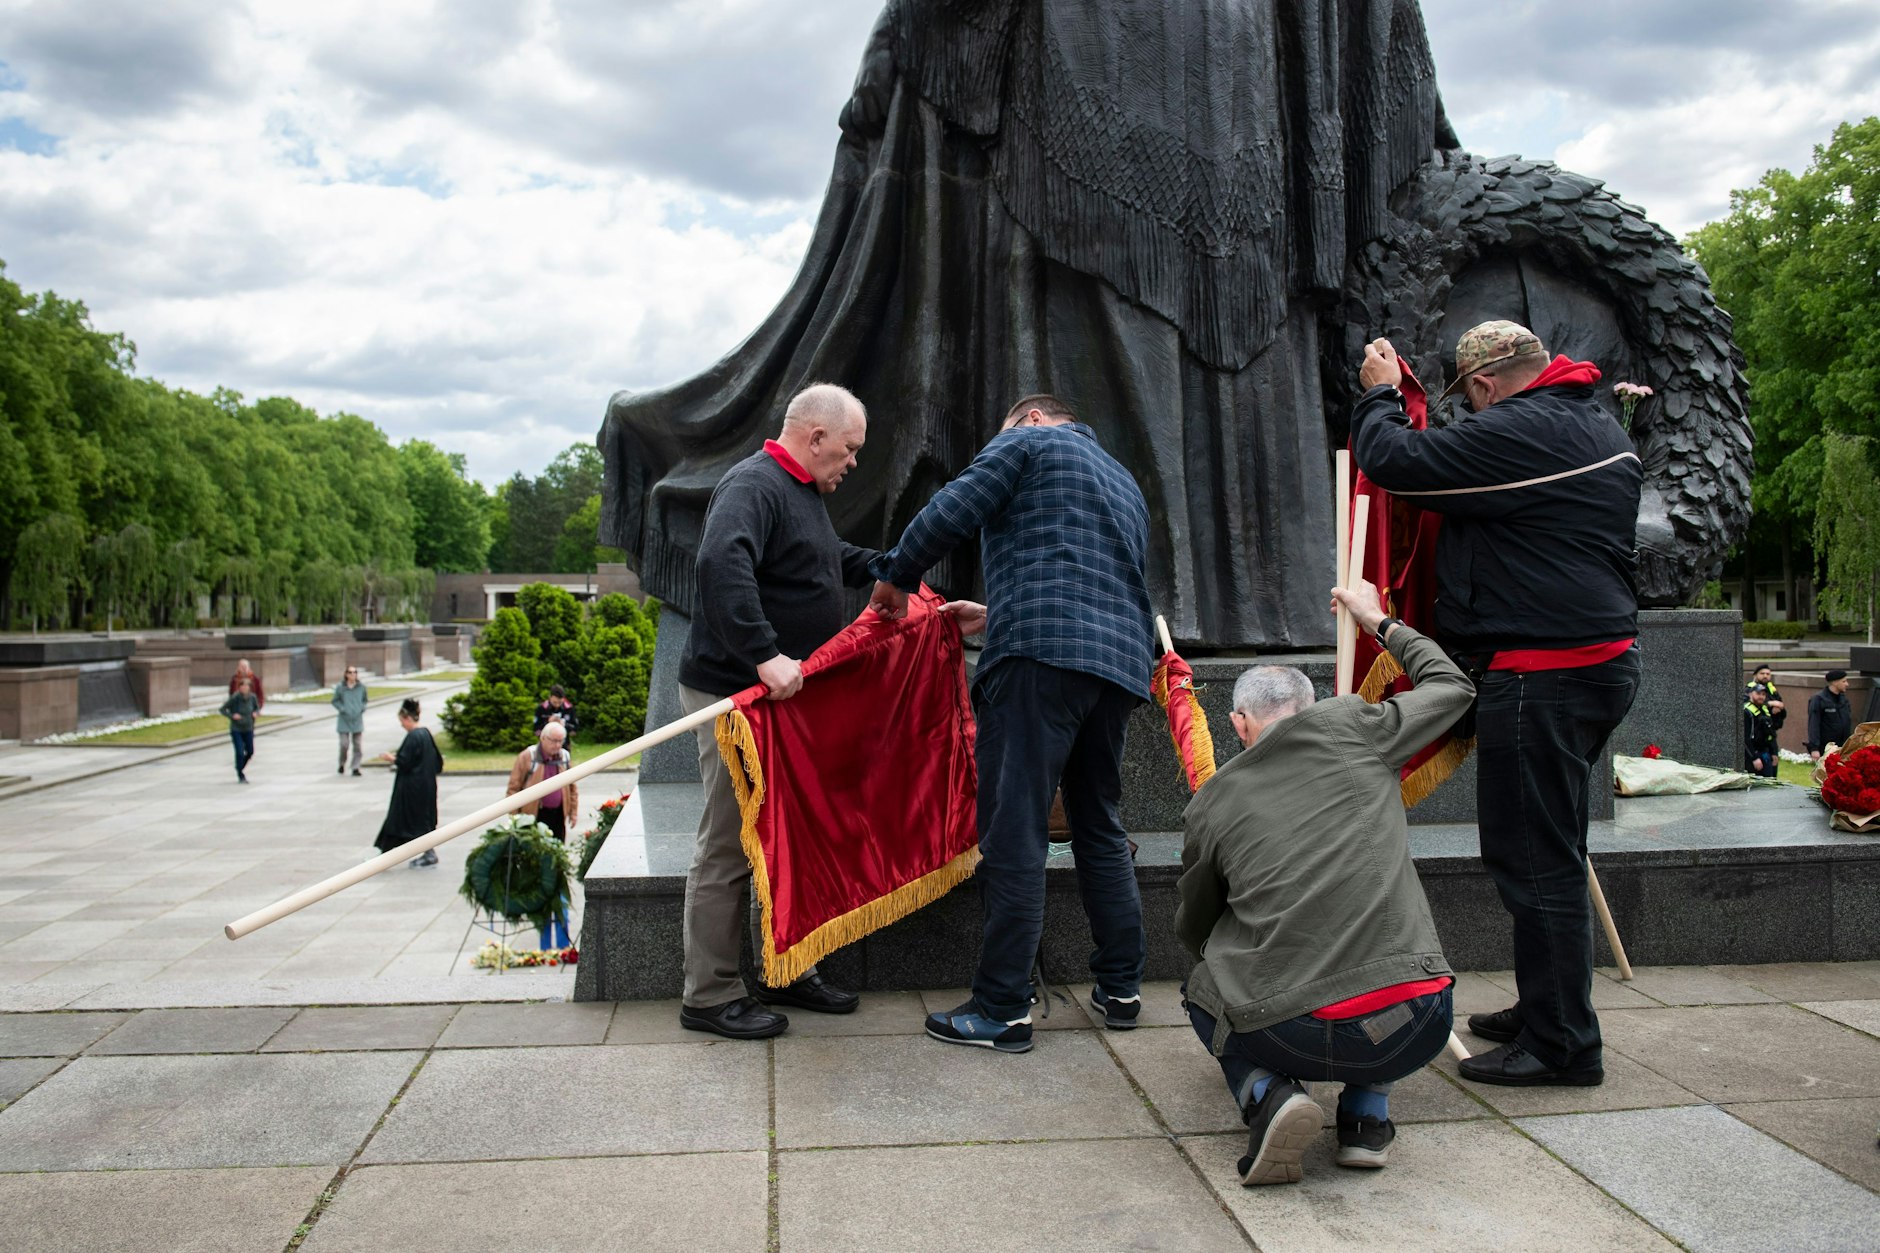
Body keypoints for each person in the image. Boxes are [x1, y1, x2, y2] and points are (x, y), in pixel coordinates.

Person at [599, 1, 1458, 652]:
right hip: (1195, 76)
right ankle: (1253, 594)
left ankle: (1176, 595)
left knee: (1087, 304)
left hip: (1131, 70)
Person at [1351, 321, 1642, 1088]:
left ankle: (1562, 1042)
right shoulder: (1586, 418)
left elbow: (1394, 462)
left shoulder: (1526, 430)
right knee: (1554, 849)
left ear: (1484, 385)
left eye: (1470, 402)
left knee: (1533, 860)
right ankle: (1551, 1006)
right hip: (1588, 665)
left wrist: (1382, 397)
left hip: (1543, 673)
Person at [870, 393, 1154, 1054]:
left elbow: (955, 506)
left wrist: (895, 576)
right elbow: (1091, 581)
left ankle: (1001, 1005)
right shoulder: (1123, 480)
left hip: (1037, 664)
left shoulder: (1027, 442)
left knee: (1017, 827)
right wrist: (996, 612)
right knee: (1099, 823)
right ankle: (1122, 985)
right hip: (1116, 669)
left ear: (1029, 417)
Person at [1178, 577, 1473, 1185]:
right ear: (1310, 707)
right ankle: (1366, 1118)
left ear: (1238, 724)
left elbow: (1197, 924)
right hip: (1416, 1020)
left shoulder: (1214, 802)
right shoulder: (1358, 728)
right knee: (1381, 953)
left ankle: (1267, 1095)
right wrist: (1377, 620)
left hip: (1291, 1033)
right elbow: (1453, 687)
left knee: (1205, 982)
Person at [676, 382, 877, 1040]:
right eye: (848, 448)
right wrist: (764, 653)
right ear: (814, 436)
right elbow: (720, 561)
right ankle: (708, 994)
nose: (852, 463)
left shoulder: (802, 495)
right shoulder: (754, 485)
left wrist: (897, 568)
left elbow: (825, 562)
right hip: (737, 698)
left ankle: (788, 966)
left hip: (778, 702)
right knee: (730, 843)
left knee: (789, 837)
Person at [507, 720, 580, 950]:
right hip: (534, 820)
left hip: (557, 819)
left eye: (561, 741)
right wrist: (516, 820)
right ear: (543, 739)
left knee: (555, 869)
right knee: (538, 870)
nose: (558, 746)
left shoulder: (565, 758)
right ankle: (543, 934)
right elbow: (513, 788)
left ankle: (559, 936)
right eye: (554, 741)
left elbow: (572, 786)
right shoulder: (527, 757)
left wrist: (573, 811)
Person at [376, 698, 444, 868]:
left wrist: (391, 758)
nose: (402, 725)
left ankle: (427, 853)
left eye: (401, 721)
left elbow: (404, 762)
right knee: (419, 821)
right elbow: (437, 762)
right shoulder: (426, 734)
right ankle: (387, 854)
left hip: (412, 788)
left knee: (409, 820)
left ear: (407, 718)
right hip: (426, 785)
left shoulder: (414, 736)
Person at [1807, 669, 1855, 763]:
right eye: (1844, 681)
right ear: (1835, 682)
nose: (1847, 684)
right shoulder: (1819, 699)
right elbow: (1813, 724)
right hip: (1825, 748)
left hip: (1842, 747)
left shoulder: (1843, 700)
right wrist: (1814, 748)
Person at [218, 676, 259, 784]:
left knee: (250, 751)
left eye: (247, 686)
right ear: (239, 687)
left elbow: (256, 708)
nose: (245, 688)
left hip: (248, 728)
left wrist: (256, 713)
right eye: (243, 686)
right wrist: (232, 715)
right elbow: (222, 709)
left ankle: (240, 766)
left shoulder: (252, 698)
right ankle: (240, 773)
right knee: (240, 752)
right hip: (237, 729)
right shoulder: (235, 698)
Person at [331, 666, 368, 776]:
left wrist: (362, 708)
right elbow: (334, 701)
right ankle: (342, 764)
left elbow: (365, 700)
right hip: (344, 720)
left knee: (358, 746)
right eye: (350, 672)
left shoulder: (361, 687)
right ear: (346, 674)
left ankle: (355, 767)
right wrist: (342, 709)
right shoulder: (340, 688)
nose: (353, 675)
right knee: (344, 745)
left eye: (355, 672)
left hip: (357, 720)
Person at [1743, 686, 1784, 778]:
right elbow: (1745, 738)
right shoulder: (1746, 712)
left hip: (1766, 753)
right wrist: (1754, 758)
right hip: (1753, 755)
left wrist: (1773, 752)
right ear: (1750, 694)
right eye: (1758, 694)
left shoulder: (1765, 710)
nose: (1761, 697)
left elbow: (1771, 732)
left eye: (1763, 694)